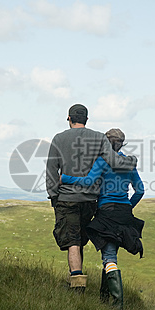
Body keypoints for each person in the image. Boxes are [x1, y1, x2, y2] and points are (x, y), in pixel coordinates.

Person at [46, 105, 137, 292]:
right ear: (86, 119)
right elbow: (114, 162)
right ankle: (78, 279)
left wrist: (54, 196)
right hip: (90, 200)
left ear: (69, 118)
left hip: (66, 197)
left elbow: (51, 171)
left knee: (72, 241)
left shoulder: (58, 139)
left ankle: (77, 286)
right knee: (79, 240)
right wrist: (133, 161)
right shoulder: (99, 138)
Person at [61, 128, 144, 310]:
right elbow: (140, 190)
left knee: (109, 257)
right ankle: (104, 299)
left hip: (106, 212)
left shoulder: (102, 161)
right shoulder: (129, 164)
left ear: (105, 144)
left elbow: (89, 182)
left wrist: (64, 178)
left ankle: (117, 305)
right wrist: (128, 206)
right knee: (111, 256)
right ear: (122, 144)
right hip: (124, 213)